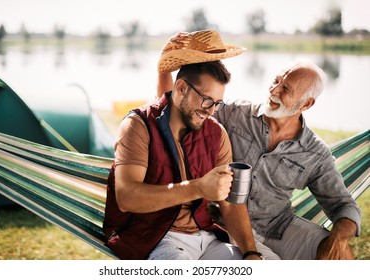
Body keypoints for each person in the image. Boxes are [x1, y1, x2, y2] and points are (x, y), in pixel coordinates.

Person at [157, 32, 362, 260]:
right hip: (228, 222)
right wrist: (165, 68)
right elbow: (175, 110)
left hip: (279, 226)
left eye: (286, 90)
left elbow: (343, 205)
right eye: (276, 81)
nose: (274, 91)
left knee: (341, 256)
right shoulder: (235, 114)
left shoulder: (314, 152)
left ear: (307, 103)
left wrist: (339, 238)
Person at [103, 30, 263, 260]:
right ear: (181, 88)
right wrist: (198, 187)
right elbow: (127, 197)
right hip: (157, 238)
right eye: (207, 100)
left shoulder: (216, 133)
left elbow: (231, 204)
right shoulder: (137, 125)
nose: (211, 111)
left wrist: (250, 253)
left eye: (217, 103)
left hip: (208, 237)